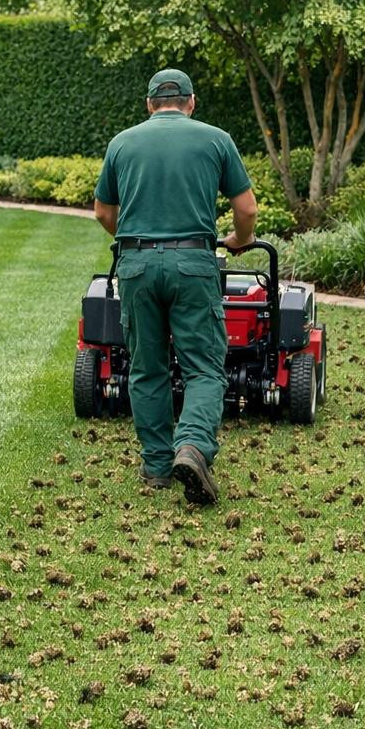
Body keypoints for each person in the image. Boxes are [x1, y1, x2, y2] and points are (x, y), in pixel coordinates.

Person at [93, 68, 258, 505]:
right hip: (193, 262)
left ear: (149, 104)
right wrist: (239, 242)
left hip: (136, 263)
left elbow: (103, 213)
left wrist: (136, 246)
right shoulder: (216, 139)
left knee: (147, 367)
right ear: (191, 101)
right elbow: (246, 209)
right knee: (204, 366)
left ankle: (157, 465)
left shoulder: (122, 143)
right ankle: (193, 446)